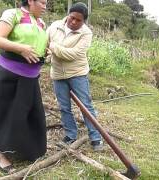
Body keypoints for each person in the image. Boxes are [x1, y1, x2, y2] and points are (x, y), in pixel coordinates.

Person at [0, 0, 48, 173]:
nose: (45, 6)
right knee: (6, 114)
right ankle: (2, 155)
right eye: (42, 2)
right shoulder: (13, 15)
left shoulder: (40, 22)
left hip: (30, 76)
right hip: (10, 73)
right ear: (30, 1)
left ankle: (27, 151)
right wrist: (21, 48)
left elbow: (37, 44)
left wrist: (46, 50)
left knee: (29, 114)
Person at [46, 2, 103, 151]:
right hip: (58, 74)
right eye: (72, 18)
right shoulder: (54, 26)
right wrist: (47, 52)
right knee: (64, 107)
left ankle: (96, 138)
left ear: (84, 21)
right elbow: (44, 44)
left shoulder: (86, 33)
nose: (74, 22)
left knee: (86, 106)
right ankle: (70, 135)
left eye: (79, 20)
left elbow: (73, 55)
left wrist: (53, 47)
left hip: (77, 74)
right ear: (68, 15)